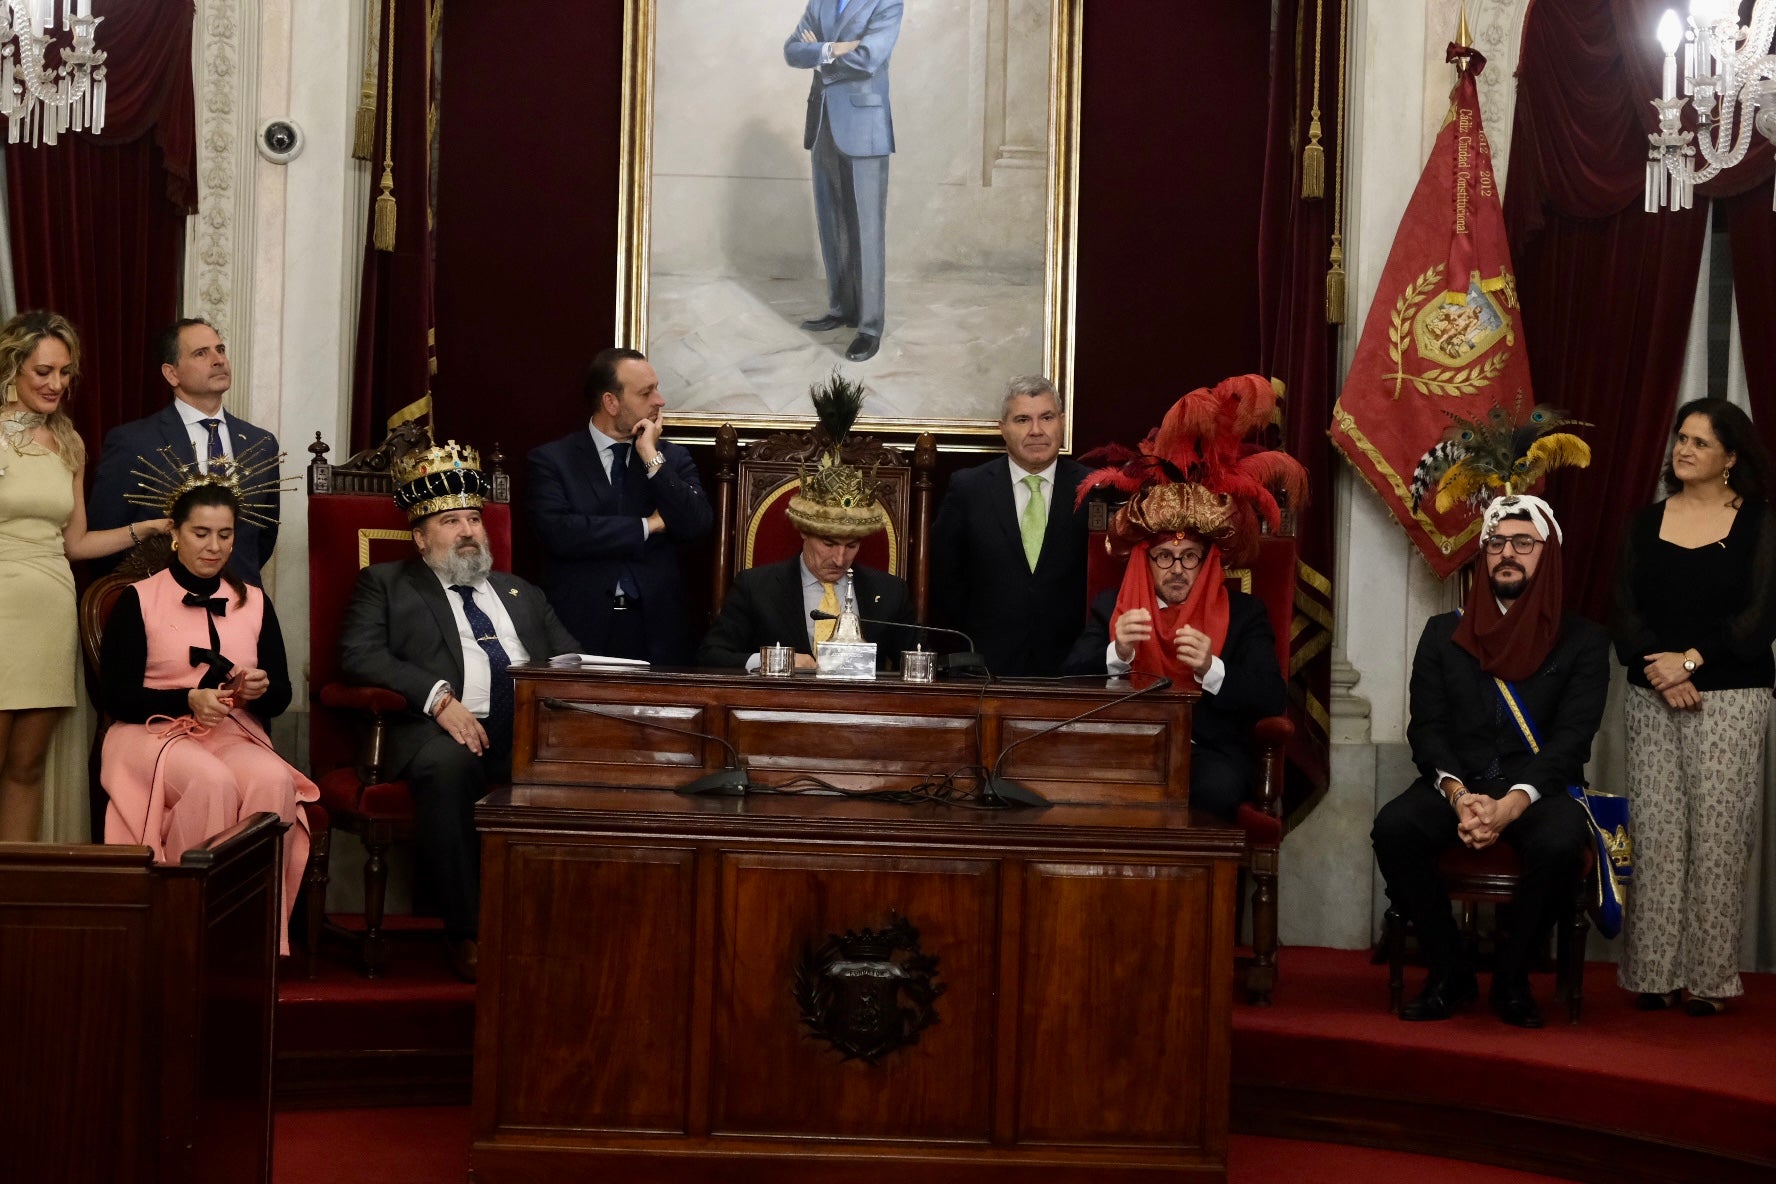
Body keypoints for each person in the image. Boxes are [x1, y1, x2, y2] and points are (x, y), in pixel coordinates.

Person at [340, 440, 579, 982]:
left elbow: (569, 658)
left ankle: (563, 927)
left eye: (473, 518)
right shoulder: (385, 584)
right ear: (421, 538)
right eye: (451, 521)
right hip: (435, 732)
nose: (468, 530)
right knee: (451, 767)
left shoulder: (520, 592)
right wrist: (438, 698)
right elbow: (359, 655)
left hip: (527, 731)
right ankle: (470, 931)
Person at [1372, 495, 1607, 1028]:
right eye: (1496, 543)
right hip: (1460, 783)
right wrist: (1459, 796)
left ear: (1548, 555)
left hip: (1538, 790)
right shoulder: (1443, 633)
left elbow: (1572, 741)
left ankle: (1511, 978)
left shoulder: (1584, 642)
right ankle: (1449, 971)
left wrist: (1510, 805)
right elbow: (1426, 728)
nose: (1508, 553)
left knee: (1559, 843)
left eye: (1524, 543)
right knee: (1395, 828)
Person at [98, 482, 316, 955]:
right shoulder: (139, 599)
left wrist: (257, 691)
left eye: (224, 534)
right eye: (201, 533)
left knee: (274, 779)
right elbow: (117, 698)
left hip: (229, 733)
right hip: (149, 732)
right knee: (210, 781)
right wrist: (187, 699)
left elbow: (281, 696)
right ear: (176, 533)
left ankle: (252, 937)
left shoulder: (254, 602)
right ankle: (186, 931)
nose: (213, 546)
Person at [1613, 398, 1776, 1016]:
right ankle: (1653, 974)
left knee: (1718, 837)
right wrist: (1662, 668)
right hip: (1651, 693)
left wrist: (1691, 660)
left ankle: (1709, 980)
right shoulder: (1644, 523)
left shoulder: (1759, 522)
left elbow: (1761, 614)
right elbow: (1623, 608)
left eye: (1700, 442)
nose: (1684, 449)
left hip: (1730, 697)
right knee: (1656, 837)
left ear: (1731, 457)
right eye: (1681, 438)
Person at [0, 310, 171, 843]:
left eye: (65, 372)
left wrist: (147, 527)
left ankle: (19, 887)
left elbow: (76, 544)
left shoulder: (68, 441)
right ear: (11, 368)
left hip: (50, 611)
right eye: (43, 372)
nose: (57, 384)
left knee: (27, 766)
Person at [1063, 528, 1284, 818]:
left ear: (1206, 561)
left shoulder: (1244, 612)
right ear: (1145, 561)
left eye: (1189, 556)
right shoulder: (1114, 607)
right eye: (1165, 556)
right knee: (1076, 780)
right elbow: (1069, 681)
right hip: (1127, 745)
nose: (1178, 569)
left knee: (1217, 788)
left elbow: (1272, 696)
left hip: (1204, 751)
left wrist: (1211, 668)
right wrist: (1117, 652)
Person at [700, 384, 914, 669]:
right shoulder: (756, 587)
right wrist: (778, 660)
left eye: (851, 546)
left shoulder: (890, 593)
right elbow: (712, 656)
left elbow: (918, 661)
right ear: (804, 531)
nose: (840, 559)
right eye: (829, 543)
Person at [529, 348, 712, 665]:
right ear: (611, 402)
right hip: (580, 628)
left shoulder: (672, 458)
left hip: (657, 631)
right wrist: (647, 526)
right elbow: (561, 532)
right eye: (646, 392)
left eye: (656, 389)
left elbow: (697, 523)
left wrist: (650, 456)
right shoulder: (552, 460)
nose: (660, 400)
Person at [89, 317, 280, 585]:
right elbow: (103, 540)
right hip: (160, 598)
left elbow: (263, 538)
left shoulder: (261, 444)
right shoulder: (133, 442)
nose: (218, 360)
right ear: (172, 374)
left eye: (220, 350)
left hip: (241, 597)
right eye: (201, 353)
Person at [930, 376, 1089, 677]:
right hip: (985, 668)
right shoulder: (968, 489)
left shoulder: (1094, 489)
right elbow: (944, 578)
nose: (1036, 430)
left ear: (1062, 422)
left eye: (1046, 417)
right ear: (1002, 428)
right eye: (1022, 419)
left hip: (1073, 670)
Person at [784, 0, 904, 363]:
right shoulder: (819, 2)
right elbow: (791, 50)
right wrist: (834, 49)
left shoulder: (887, 3)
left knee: (867, 230)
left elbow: (868, 58)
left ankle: (869, 327)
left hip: (865, 126)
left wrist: (818, 55)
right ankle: (841, 308)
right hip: (822, 122)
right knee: (832, 222)